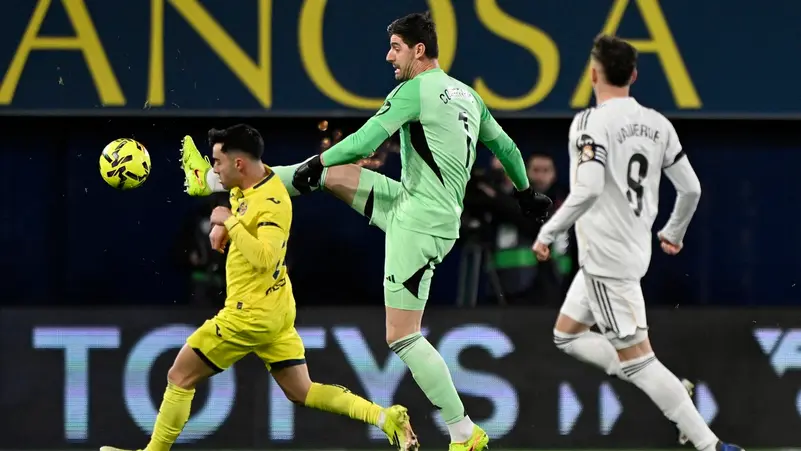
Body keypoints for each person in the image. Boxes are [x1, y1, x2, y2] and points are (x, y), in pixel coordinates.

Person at [180, 13, 552, 451]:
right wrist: (526, 194)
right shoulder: (468, 96)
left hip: (420, 225)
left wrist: (319, 160)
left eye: (396, 47)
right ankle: (213, 180)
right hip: (413, 203)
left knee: (403, 335)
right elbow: (506, 147)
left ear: (418, 50)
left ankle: (464, 432)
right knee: (331, 176)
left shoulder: (414, 90)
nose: (389, 56)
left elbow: (362, 142)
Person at [102, 125, 418, 451]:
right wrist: (224, 226)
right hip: (276, 310)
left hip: (248, 315)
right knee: (303, 390)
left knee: (179, 376)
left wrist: (228, 222)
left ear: (238, 163)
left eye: (217, 163)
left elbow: (266, 258)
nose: (214, 171)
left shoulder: (272, 202)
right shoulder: (249, 185)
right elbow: (242, 211)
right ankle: (384, 417)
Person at [532, 35, 743, 451]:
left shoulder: (589, 123)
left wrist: (548, 231)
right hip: (627, 252)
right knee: (567, 335)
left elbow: (589, 187)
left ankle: (711, 445)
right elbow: (691, 189)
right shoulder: (658, 124)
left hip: (605, 260)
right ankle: (674, 388)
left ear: (593, 74)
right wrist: (673, 232)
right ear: (633, 75)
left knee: (640, 362)